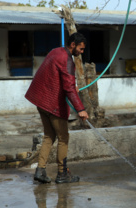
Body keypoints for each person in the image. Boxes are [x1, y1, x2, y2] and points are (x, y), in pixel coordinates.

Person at [25, 32, 89, 184]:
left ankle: (40, 170)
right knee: (63, 138)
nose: (82, 52)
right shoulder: (67, 60)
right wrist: (80, 109)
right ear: (73, 45)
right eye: (80, 49)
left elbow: (58, 79)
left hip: (40, 101)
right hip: (53, 105)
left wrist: (72, 87)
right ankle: (62, 174)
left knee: (49, 136)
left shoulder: (55, 51)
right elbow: (68, 87)